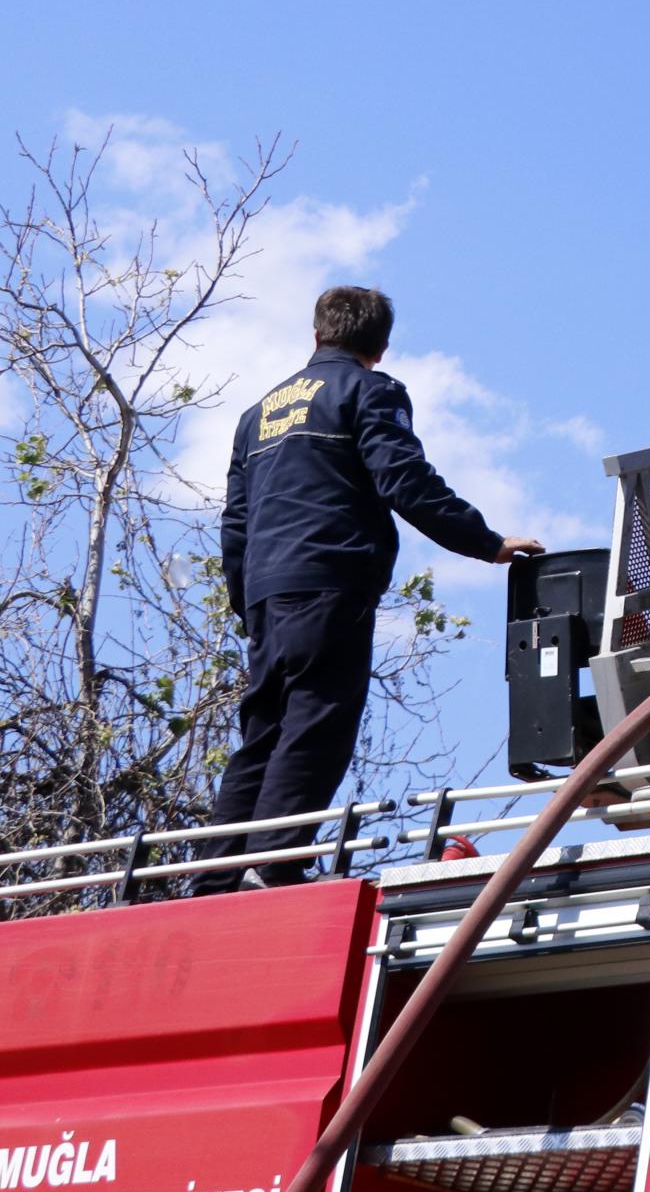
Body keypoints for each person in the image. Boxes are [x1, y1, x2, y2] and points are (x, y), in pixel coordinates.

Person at [194, 287, 544, 892]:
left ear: (317, 335)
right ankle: (272, 867)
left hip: (266, 593)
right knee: (317, 722)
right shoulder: (369, 390)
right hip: (330, 581)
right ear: (381, 346)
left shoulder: (257, 414)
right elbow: (404, 480)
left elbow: (236, 521)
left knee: (263, 732)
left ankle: (211, 879)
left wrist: (246, 602)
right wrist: (485, 542)